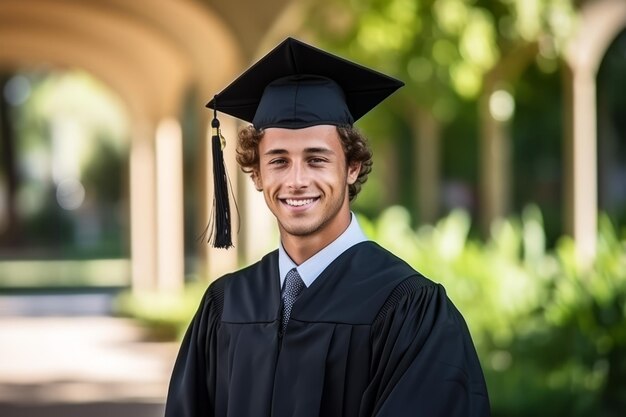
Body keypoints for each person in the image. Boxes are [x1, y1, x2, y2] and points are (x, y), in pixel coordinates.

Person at [165, 37, 490, 417]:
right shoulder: (226, 305)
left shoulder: (408, 310)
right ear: (256, 173)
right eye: (279, 161)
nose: (297, 180)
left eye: (316, 159)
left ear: (352, 167)